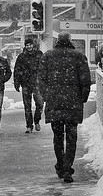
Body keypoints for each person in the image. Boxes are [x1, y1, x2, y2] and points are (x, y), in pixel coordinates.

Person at [38, 31, 91, 183]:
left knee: (58, 137)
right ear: (70, 41)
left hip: (55, 102)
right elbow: (85, 80)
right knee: (72, 136)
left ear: (57, 41)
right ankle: (68, 167)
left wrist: (47, 96)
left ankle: (60, 165)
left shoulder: (47, 56)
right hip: (73, 102)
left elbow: (41, 80)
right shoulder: (79, 57)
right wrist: (83, 97)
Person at [13, 38, 44, 133]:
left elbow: (44, 68)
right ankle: (29, 126)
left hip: (37, 83)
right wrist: (17, 83)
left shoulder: (39, 54)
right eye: (27, 45)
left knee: (39, 103)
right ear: (25, 46)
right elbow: (17, 70)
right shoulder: (21, 57)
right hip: (25, 83)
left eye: (30, 45)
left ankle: (37, 120)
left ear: (33, 45)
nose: (29, 47)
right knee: (27, 106)